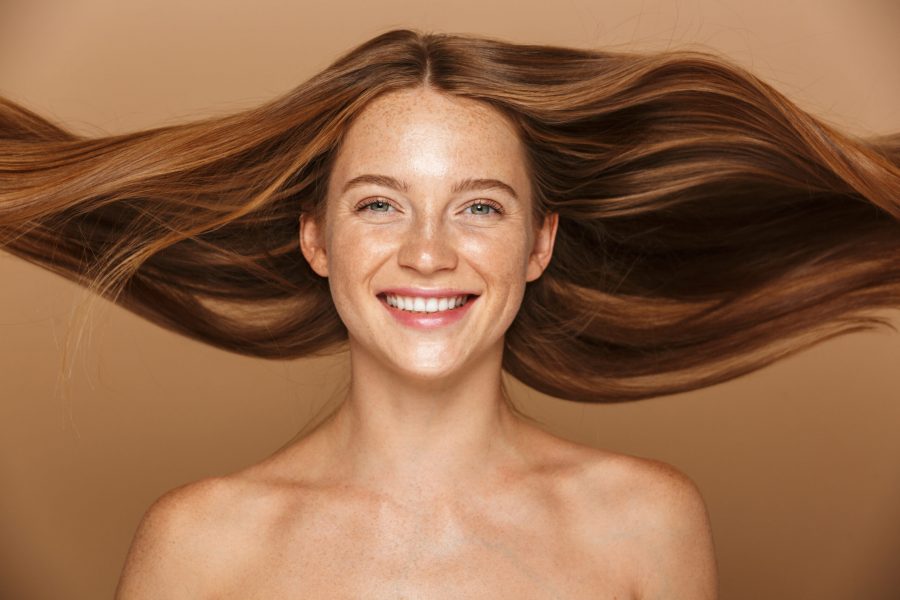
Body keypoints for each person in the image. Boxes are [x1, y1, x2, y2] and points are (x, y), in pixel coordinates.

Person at [2, 28, 898, 598]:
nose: (428, 253)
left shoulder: (645, 522)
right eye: (379, 204)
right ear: (315, 240)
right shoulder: (198, 546)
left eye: (479, 207)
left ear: (539, 245)